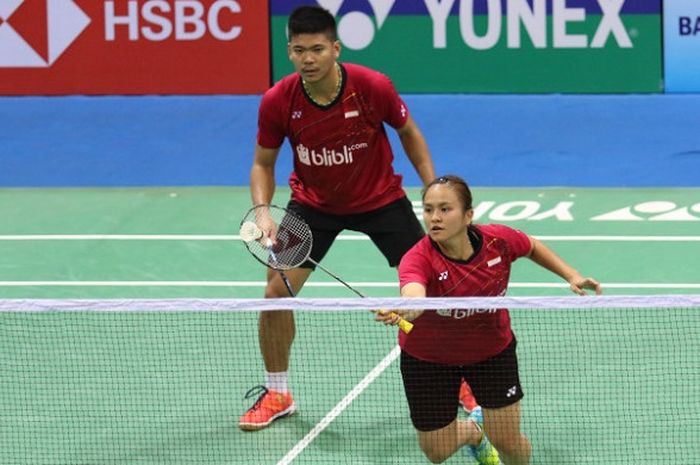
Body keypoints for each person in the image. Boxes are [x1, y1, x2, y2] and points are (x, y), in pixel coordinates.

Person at [239, 5, 436, 431]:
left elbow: (408, 132)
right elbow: (262, 164)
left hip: (381, 199)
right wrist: (262, 210)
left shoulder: (370, 86)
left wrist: (432, 188)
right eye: (298, 50)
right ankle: (277, 392)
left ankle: (457, 379)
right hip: (313, 206)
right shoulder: (278, 100)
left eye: (316, 49)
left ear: (335, 48)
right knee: (274, 294)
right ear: (288, 52)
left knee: (434, 287)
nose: (308, 59)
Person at [377, 175, 602, 465]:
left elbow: (531, 246)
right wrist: (405, 309)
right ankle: (472, 431)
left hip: (491, 352)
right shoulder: (417, 258)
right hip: (428, 358)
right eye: (429, 209)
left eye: (445, 209)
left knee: (507, 442)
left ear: (468, 215)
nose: (435, 218)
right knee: (436, 452)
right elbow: (414, 296)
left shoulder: (498, 242)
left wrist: (571, 274)